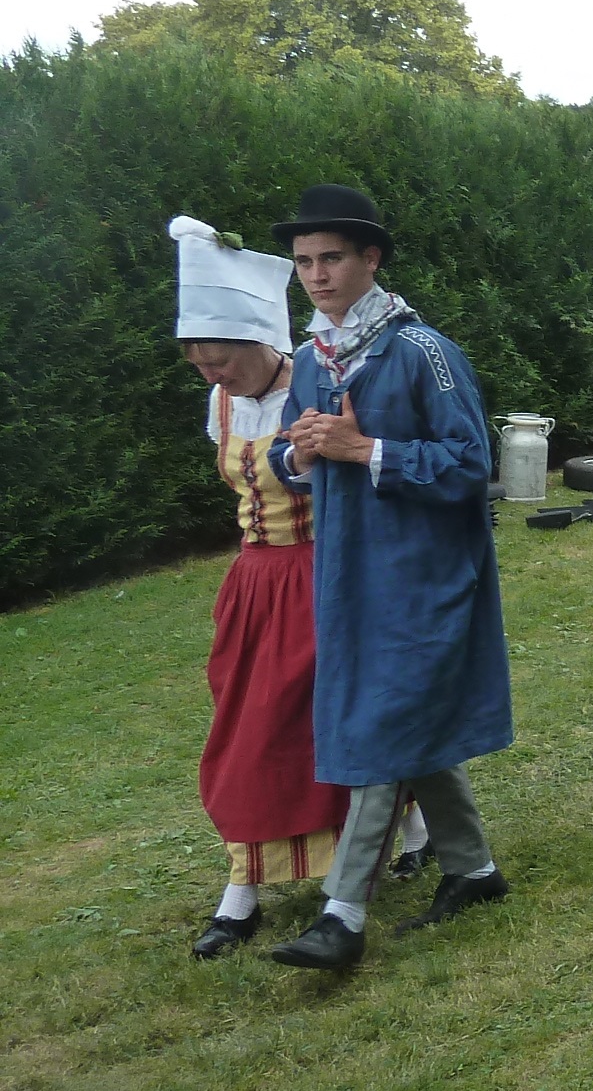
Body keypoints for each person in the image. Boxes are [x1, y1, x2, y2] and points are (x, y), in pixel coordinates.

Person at [262, 185, 513, 970]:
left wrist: (365, 450)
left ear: (371, 259)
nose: (316, 274)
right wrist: (300, 452)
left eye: (331, 257)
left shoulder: (422, 351)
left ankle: (343, 913)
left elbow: (473, 464)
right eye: (304, 261)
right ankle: (473, 870)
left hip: (424, 574)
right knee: (403, 720)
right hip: (349, 577)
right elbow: (285, 459)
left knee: (379, 725)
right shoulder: (309, 359)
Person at [168, 217, 354, 961]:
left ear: (260, 344)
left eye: (225, 363)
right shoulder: (220, 404)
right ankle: (250, 877)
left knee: (314, 722)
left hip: (318, 573)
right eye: (202, 365)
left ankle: (262, 889)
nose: (216, 377)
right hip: (252, 582)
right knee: (244, 725)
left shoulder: (314, 385)